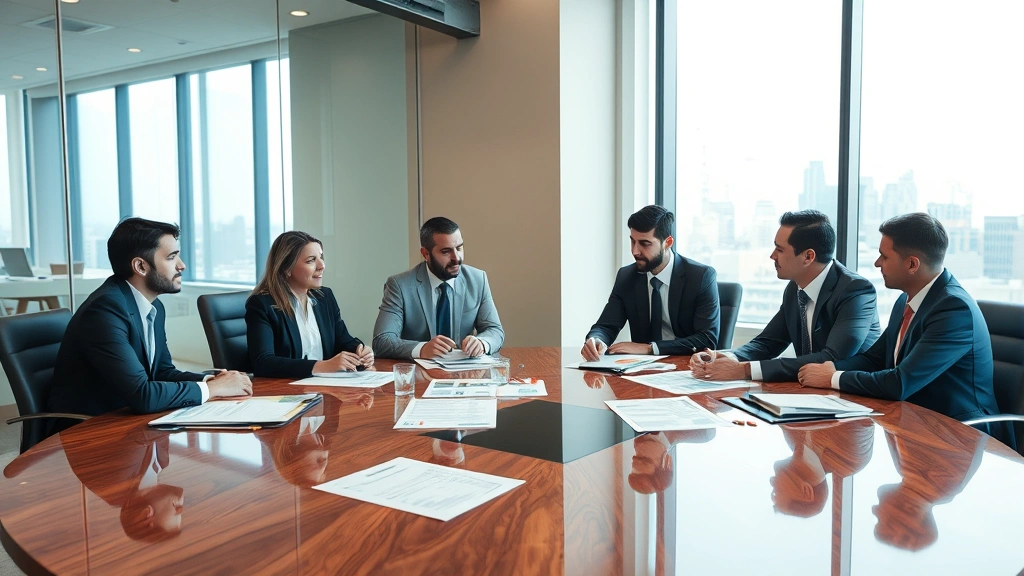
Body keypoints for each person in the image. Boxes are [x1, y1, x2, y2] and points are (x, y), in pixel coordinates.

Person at [797, 213, 1000, 424]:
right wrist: (832, 368)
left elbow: (900, 383)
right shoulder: (906, 300)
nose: (877, 263)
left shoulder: (954, 310)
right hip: (914, 420)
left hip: (960, 432)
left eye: (884, 257)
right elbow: (874, 359)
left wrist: (832, 378)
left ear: (912, 264)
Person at [49, 217, 251, 417]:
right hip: (88, 427)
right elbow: (142, 395)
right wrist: (213, 389)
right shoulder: (104, 311)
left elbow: (162, 372)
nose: (182, 265)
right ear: (141, 267)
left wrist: (211, 381)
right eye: (171, 257)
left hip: (126, 417)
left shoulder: (154, 307)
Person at [689, 210, 880, 382]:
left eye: (779, 249)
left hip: (855, 397)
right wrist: (728, 357)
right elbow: (768, 343)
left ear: (808, 256)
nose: (772, 256)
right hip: (809, 391)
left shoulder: (855, 290)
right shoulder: (794, 288)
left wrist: (744, 370)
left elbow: (832, 358)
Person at [582, 205, 719, 361]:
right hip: (641, 368)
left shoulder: (700, 277)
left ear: (668, 242)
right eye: (632, 241)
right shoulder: (626, 277)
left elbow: (707, 339)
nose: (635, 251)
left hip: (688, 367)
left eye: (645, 243)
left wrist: (650, 348)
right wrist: (596, 339)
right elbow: (606, 326)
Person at [246, 231, 373, 378]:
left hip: (326, 385)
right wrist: (322, 366)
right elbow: (264, 363)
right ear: (286, 268)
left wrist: (359, 351)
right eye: (311, 260)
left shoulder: (324, 297)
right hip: (288, 388)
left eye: (321, 257)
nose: (322, 265)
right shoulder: (262, 305)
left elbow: (342, 339)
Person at [372, 216, 504, 360]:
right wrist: (422, 349)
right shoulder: (400, 285)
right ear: (425, 254)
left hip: (464, 370)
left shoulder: (478, 280)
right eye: (446, 251)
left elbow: (495, 330)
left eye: (459, 248)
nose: (456, 258)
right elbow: (382, 341)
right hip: (419, 370)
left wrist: (482, 343)